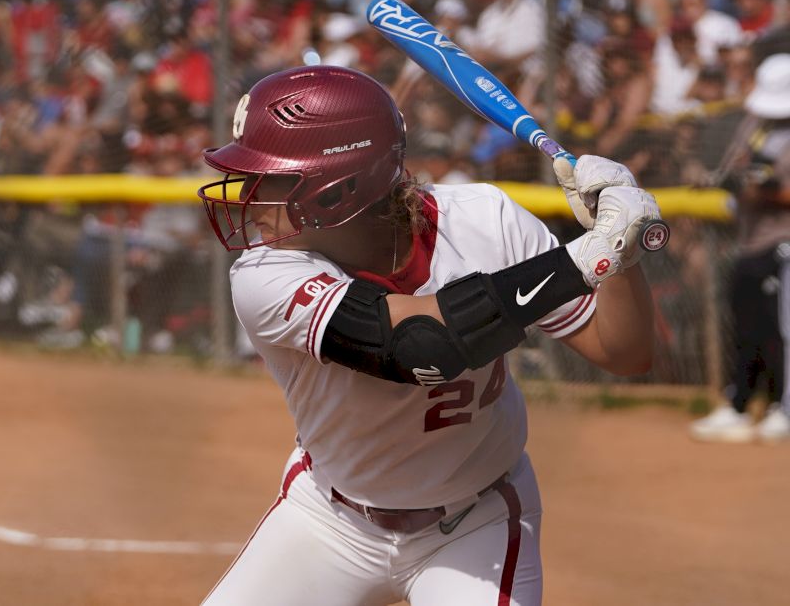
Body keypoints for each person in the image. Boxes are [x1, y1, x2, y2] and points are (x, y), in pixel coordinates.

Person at [196, 66, 662, 605]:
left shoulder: (486, 221)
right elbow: (421, 346)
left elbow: (624, 353)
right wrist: (583, 258)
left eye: (272, 177)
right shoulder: (264, 275)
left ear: (337, 191)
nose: (250, 194)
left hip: (475, 523)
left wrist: (618, 251)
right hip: (328, 520)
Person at [691, 54, 790, 443]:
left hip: (783, 242)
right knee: (746, 326)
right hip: (749, 240)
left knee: (780, 330)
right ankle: (739, 403)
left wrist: (768, 192)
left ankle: (783, 406)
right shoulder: (754, 124)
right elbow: (732, 168)